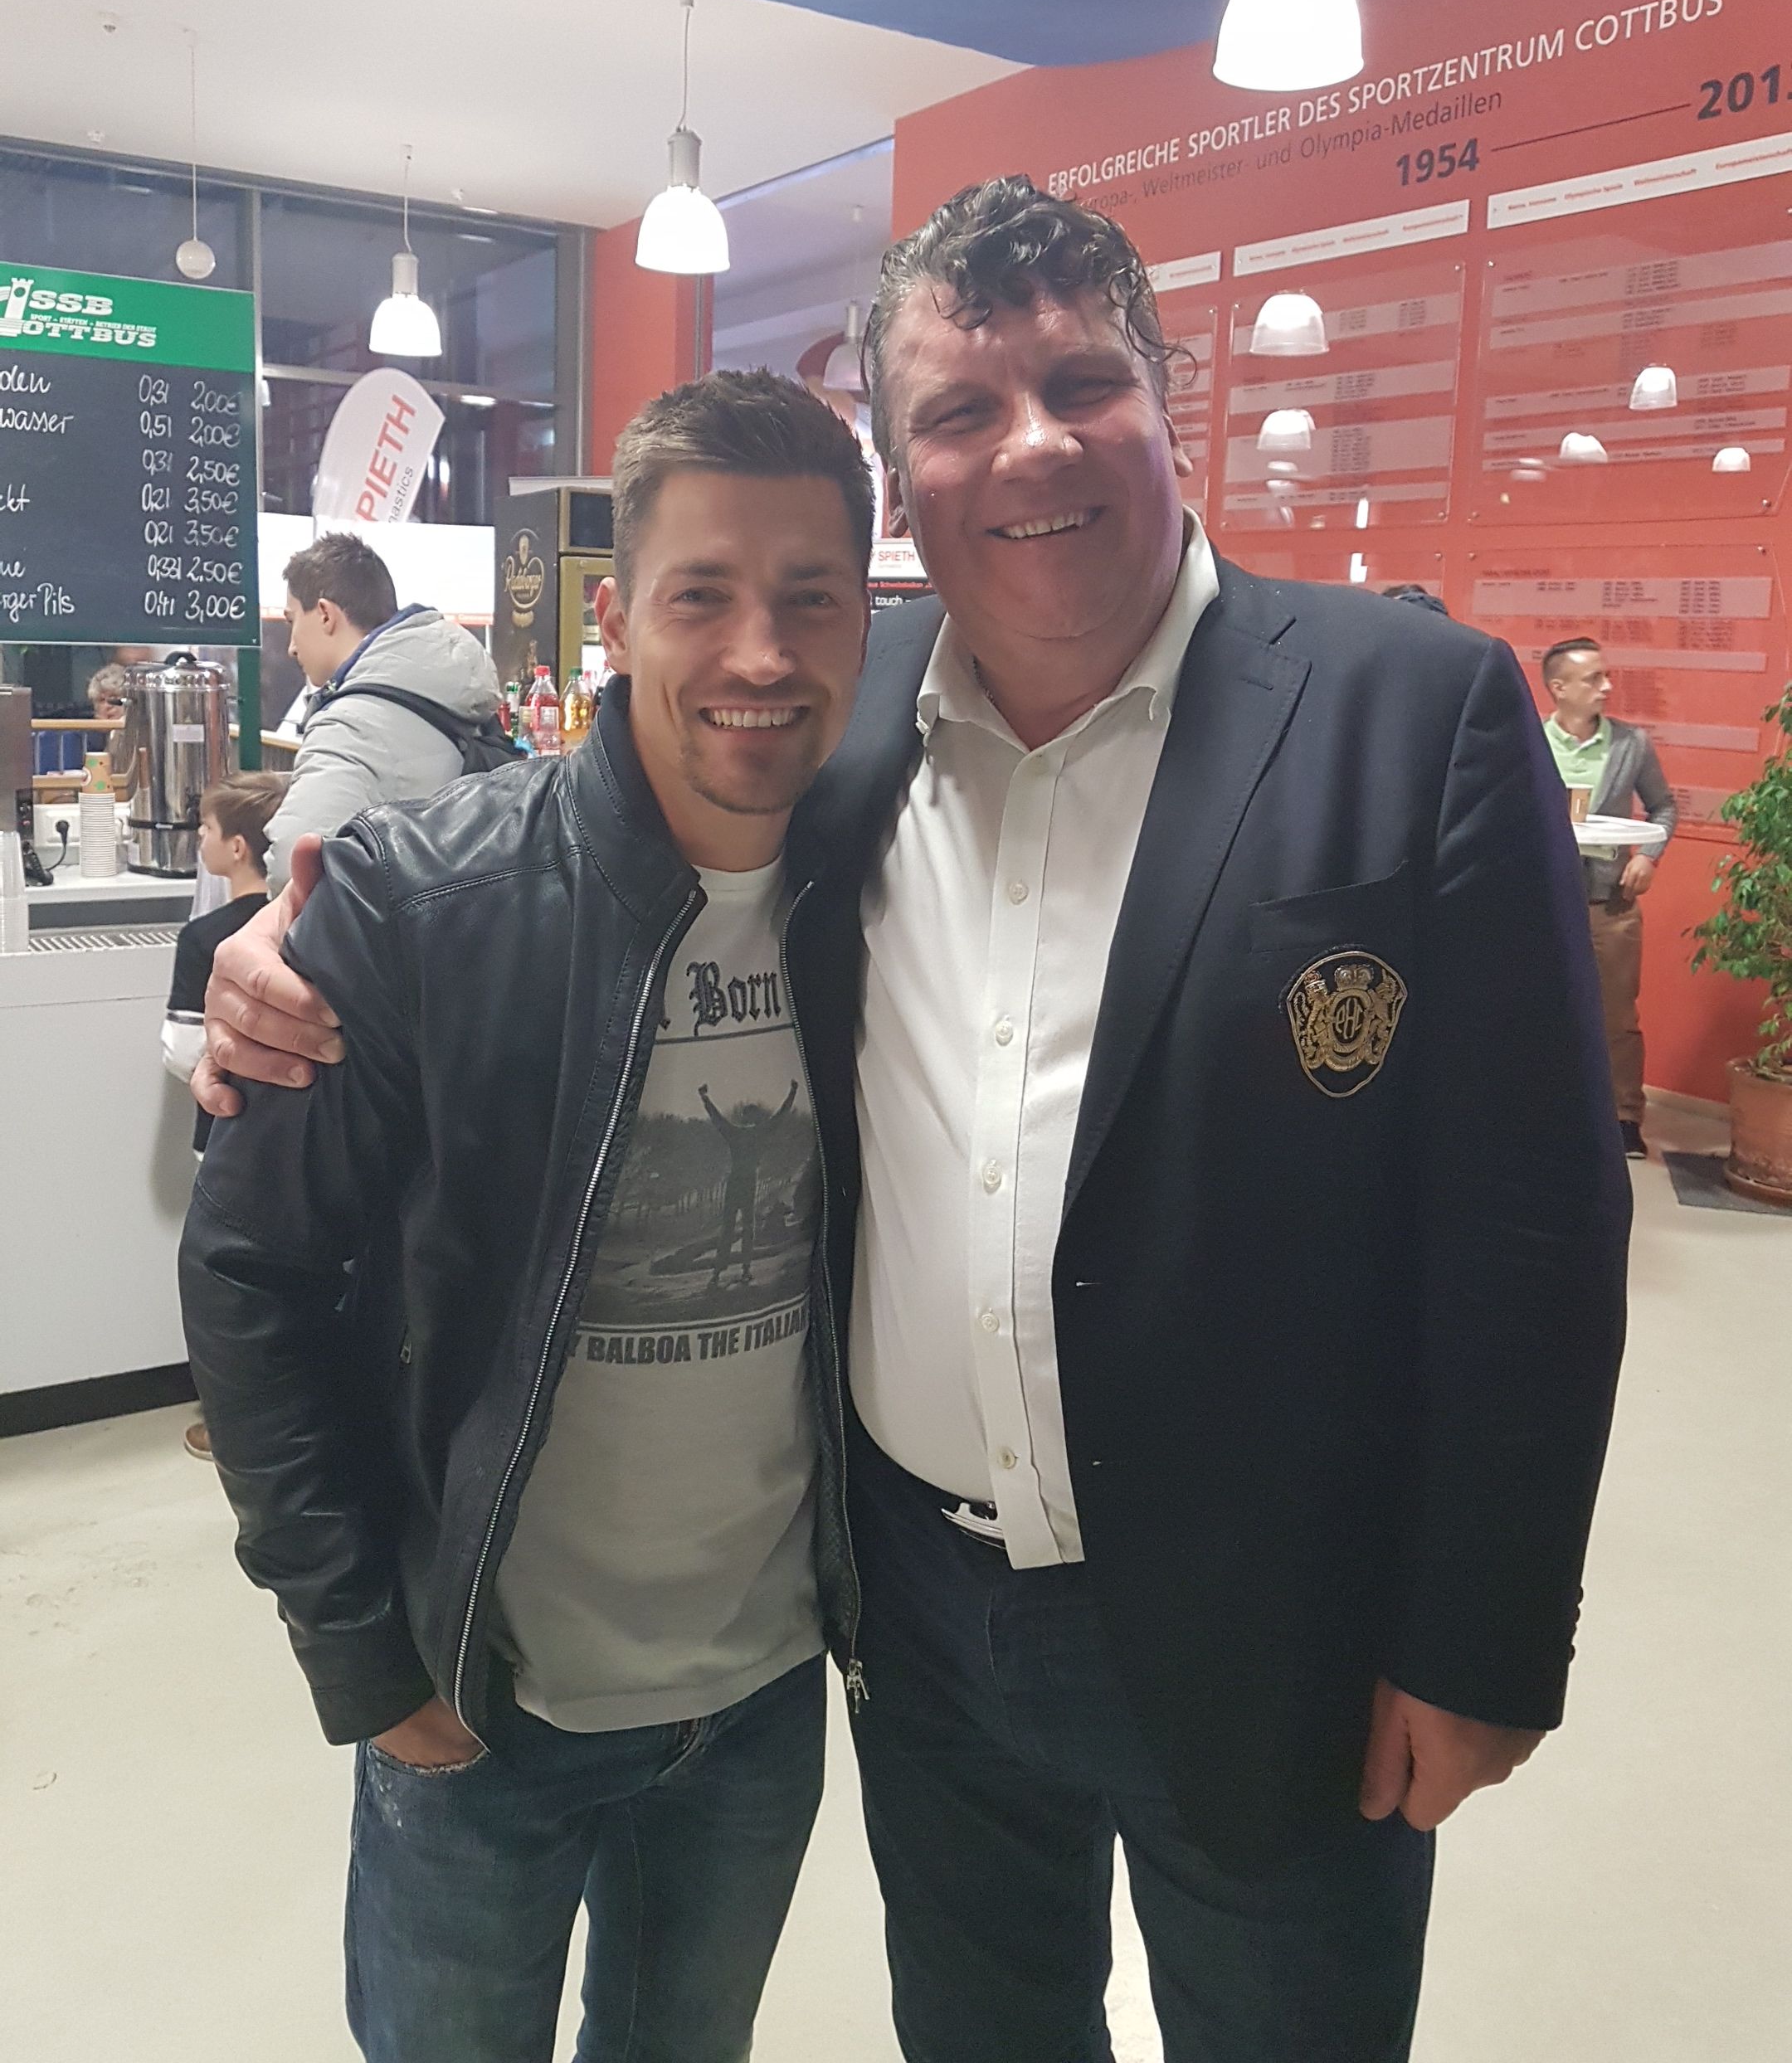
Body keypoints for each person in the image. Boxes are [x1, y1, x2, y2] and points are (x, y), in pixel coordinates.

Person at [197, 178, 1629, 2063]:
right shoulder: (838, 731)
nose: (1029, 443)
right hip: (921, 1632)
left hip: (1277, 1625)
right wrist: (293, 940)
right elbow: (575, 842)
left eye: (1081, 382)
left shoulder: (1408, 709)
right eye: (961, 409)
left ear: (1166, 404)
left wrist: (1478, 1635)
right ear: (907, 480)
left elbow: (1529, 1222)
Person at [179, 372, 874, 2063]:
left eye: (811, 598)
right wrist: (360, 1652)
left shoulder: (889, 887)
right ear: (616, 620)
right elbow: (253, 1274)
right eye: (702, 595)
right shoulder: (426, 901)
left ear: (871, 622)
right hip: (481, 1693)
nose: (761, 651)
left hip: (762, 1694)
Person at [160, 769, 288, 1460]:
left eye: (206, 829)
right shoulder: (311, 923)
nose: (201, 839)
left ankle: (235, 1425)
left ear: (238, 847)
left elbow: (185, 1049)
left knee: (235, 1292)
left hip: (227, 1131)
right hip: (298, 1130)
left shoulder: (207, 937)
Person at [262, 530, 504, 888]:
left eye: (291, 620)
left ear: (325, 614)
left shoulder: (352, 724)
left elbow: (293, 867)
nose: (291, 647)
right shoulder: (453, 691)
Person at [1539, 635, 1677, 1158]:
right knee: (1533, 1005)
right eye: (1594, 678)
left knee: (1616, 1014)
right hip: (1540, 902)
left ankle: (1624, 1117)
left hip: (1609, 901)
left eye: (1605, 675)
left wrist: (1648, 856)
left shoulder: (1631, 744)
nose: (1607, 686)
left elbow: (1664, 807)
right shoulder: (1528, 741)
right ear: (1559, 688)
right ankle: (1537, 1108)